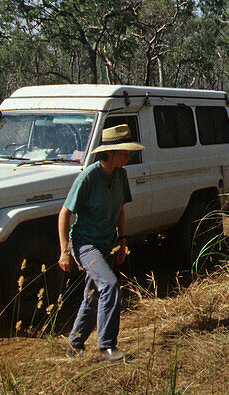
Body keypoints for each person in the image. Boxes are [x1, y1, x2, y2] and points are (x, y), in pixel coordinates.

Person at [58, 124, 140, 362]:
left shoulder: (121, 175)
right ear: (110, 153)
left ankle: (74, 345)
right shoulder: (88, 177)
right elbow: (64, 213)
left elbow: (120, 209)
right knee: (110, 285)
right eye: (124, 152)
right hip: (85, 245)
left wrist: (122, 241)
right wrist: (64, 251)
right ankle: (107, 347)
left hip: (107, 243)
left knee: (95, 293)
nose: (128, 156)